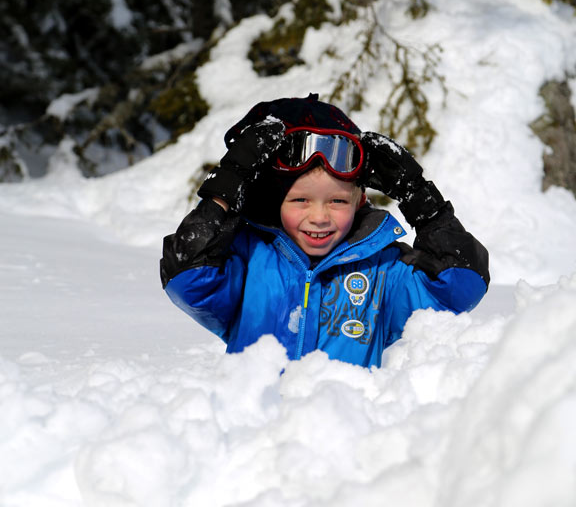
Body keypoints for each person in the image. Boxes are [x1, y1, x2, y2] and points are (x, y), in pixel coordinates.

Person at [160, 94, 489, 368]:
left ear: (360, 200)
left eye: (336, 201)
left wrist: (422, 201)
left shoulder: (382, 270)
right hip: (254, 437)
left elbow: (460, 286)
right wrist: (227, 185)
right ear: (272, 201)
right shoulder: (248, 259)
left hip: (341, 438)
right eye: (300, 199)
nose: (319, 217)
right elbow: (187, 277)